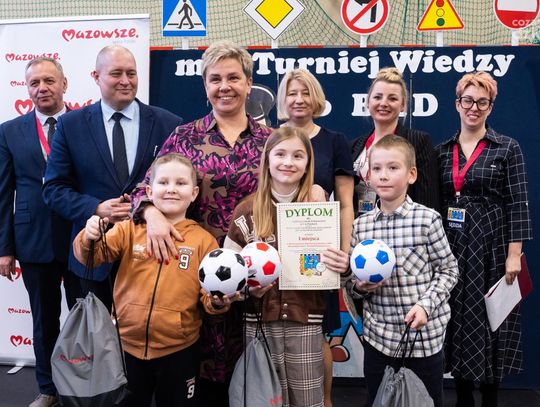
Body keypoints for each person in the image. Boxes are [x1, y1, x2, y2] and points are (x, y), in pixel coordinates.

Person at [130, 40, 272, 405]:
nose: (224, 86)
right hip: (192, 271)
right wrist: (151, 213)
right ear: (205, 85)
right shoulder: (185, 137)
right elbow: (145, 188)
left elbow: (293, 193)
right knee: (198, 382)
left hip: (256, 276)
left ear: (248, 83)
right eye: (215, 79)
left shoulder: (270, 142)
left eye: (233, 78)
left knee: (251, 378)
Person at [73, 153, 237, 406]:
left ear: (194, 193)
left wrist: (217, 302)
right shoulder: (129, 229)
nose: (171, 189)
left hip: (180, 349)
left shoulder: (203, 241)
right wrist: (89, 236)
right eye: (163, 182)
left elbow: (208, 297)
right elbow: (92, 258)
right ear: (149, 191)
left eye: (180, 183)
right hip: (125, 345)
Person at [43, 45, 182, 311]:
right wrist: (95, 208)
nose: (125, 81)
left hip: (153, 257)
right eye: (116, 73)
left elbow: (182, 185)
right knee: (93, 337)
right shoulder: (71, 125)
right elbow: (53, 189)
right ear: (96, 77)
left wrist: (148, 209)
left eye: (131, 73)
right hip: (92, 261)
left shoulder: (169, 124)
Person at [224, 127, 350, 407]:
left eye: (297, 156)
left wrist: (344, 267)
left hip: (305, 322)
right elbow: (228, 277)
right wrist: (246, 291)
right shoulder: (246, 212)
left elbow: (335, 276)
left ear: (308, 164)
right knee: (261, 400)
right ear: (267, 160)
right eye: (280, 154)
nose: (288, 162)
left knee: (307, 401)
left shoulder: (320, 211)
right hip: (258, 325)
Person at [437, 72, 532, 407]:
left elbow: (518, 203)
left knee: (494, 318)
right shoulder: (442, 151)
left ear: (490, 107)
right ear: (457, 104)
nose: (473, 107)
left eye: (482, 102)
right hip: (452, 247)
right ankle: (463, 395)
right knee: (457, 316)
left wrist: (514, 254)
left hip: (493, 246)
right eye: (467, 100)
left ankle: (491, 396)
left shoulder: (507, 148)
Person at [346, 135, 458, 407]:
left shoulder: (427, 220)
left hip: (423, 341)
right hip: (379, 341)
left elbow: (448, 270)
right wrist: (359, 287)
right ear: (368, 176)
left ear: (412, 175)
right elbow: (351, 284)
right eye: (376, 168)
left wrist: (425, 306)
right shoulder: (361, 226)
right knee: (380, 400)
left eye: (393, 168)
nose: (383, 175)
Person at [0, 57, 81, 407]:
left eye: (49, 80)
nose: (42, 88)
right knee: (44, 323)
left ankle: (83, 388)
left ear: (64, 84)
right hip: (33, 239)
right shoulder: (9, 131)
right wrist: (4, 248)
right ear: (27, 88)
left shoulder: (83, 124)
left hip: (81, 238)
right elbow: (3, 193)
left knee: (84, 320)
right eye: (34, 83)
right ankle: (48, 389)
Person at [276, 68, 355, 407]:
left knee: (318, 330)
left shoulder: (334, 141)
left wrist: (344, 251)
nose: (299, 99)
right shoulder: (272, 137)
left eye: (305, 92)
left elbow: (346, 203)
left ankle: (324, 401)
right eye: (292, 92)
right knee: (281, 330)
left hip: (317, 254)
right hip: (278, 253)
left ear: (316, 97)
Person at [350, 67, 439, 215]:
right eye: (377, 97)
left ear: (402, 105)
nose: (383, 103)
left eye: (392, 98)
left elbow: (428, 200)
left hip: (402, 226)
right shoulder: (354, 146)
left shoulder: (418, 141)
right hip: (361, 225)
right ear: (368, 102)